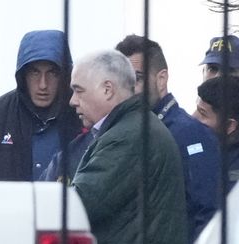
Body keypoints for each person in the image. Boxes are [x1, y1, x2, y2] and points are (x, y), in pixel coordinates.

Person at [70, 49, 188, 244]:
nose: (72, 101)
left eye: (78, 90)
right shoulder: (133, 128)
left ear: (107, 89)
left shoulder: (127, 137)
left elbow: (80, 204)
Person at [115, 35, 221, 243]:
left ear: (161, 79)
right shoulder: (126, 131)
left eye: (136, 79)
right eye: (122, 81)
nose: (128, 89)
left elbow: (209, 212)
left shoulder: (189, 134)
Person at [0, 30, 82, 181]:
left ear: (65, 76)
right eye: (35, 73)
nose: (43, 85)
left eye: (52, 73)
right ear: (22, 75)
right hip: (8, 205)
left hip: (67, 204)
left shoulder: (82, 116)